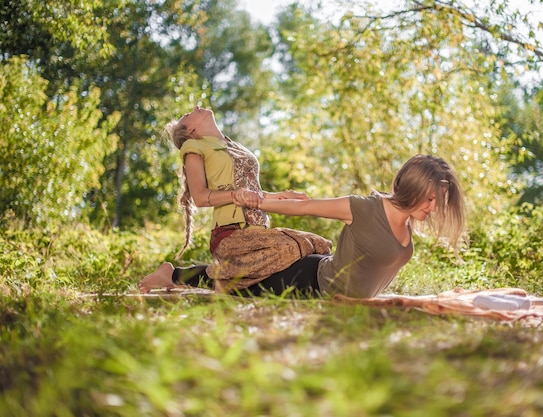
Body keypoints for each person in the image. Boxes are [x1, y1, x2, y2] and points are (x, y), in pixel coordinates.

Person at [138, 106, 332, 296]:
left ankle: (178, 276)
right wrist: (235, 195)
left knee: (319, 243)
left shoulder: (235, 146)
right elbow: (200, 197)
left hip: (258, 232)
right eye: (187, 114)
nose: (196, 107)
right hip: (231, 233)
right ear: (191, 131)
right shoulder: (194, 146)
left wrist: (280, 195)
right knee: (290, 247)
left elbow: (251, 193)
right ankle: (176, 275)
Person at [232, 154, 466, 299]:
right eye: (430, 199)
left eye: (438, 201)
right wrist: (259, 202)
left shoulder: (407, 223)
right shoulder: (364, 208)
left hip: (337, 291)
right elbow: (305, 206)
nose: (433, 208)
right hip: (307, 282)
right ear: (413, 187)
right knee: (228, 280)